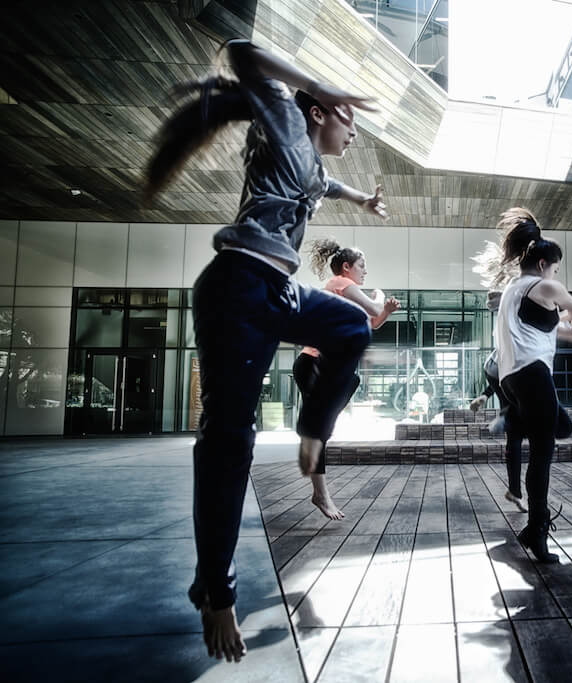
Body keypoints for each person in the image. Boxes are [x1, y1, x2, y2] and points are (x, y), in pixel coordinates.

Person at [144, 39, 387, 663]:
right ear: (317, 111)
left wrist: (361, 200)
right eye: (347, 118)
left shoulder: (311, 163)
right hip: (236, 287)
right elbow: (240, 52)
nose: (353, 130)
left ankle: (313, 433)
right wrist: (321, 83)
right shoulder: (284, 117)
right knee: (229, 441)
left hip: (276, 290)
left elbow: (327, 183)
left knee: (353, 328)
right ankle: (216, 592)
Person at [490, 210, 572, 564]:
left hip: (512, 379)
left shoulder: (513, 290)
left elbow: (546, 327)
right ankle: (536, 530)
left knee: (562, 427)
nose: (556, 275)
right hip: (533, 373)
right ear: (543, 264)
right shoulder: (546, 287)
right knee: (543, 453)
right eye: (556, 269)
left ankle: (514, 419)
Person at [294, 241, 400, 519]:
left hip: (329, 369)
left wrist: (386, 311)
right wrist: (380, 296)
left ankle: (312, 442)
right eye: (362, 266)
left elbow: (373, 322)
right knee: (320, 431)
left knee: (324, 426)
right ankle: (320, 492)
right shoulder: (340, 283)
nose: (365, 271)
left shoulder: (346, 295)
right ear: (346, 267)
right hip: (316, 364)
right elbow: (373, 308)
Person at [469, 349, 527, 512]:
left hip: (493, 366)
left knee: (515, 429)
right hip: (509, 367)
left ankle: (503, 412)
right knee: (516, 431)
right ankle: (506, 415)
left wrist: (487, 394)